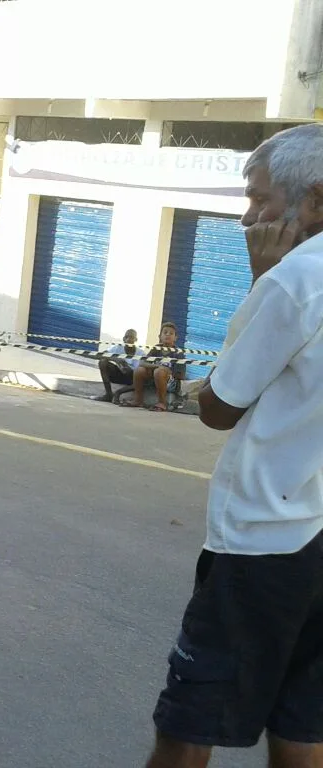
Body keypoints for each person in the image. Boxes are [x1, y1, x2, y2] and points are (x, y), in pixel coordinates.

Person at [144, 123, 323, 768]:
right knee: (303, 724)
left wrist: (261, 279)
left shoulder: (296, 278)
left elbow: (219, 405)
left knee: (190, 722)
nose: (249, 216)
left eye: (260, 200)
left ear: (316, 199)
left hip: (265, 543)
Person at [122, 322, 185, 412]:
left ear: (175, 338)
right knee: (139, 370)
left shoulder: (178, 353)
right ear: (160, 336)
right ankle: (138, 400)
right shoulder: (156, 348)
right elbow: (142, 363)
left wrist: (167, 372)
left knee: (159, 372)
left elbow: (181, 375)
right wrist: (158, 366)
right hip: (155, 378)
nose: (168, 335)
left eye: (171, 333)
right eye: (165, 332)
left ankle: (162, 403)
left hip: (171, 383)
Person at [95, 328, 142, 403]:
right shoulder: (118, 348)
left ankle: (118, 392)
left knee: (141, 376)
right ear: (123, 339)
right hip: (118, 375)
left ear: (136, 339)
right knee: (103, 362)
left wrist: (127, 367)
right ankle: (108, 394)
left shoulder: (140, 353)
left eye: (132, 337)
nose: (129, 339)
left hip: (132, 378)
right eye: (127, 337)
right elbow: (100, 355)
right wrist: (116, 359)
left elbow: (139, 371)